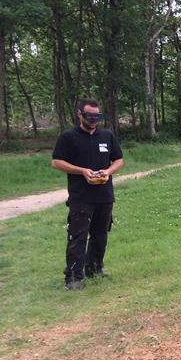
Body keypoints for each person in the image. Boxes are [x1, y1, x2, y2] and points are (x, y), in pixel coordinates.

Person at [51, 99, 124, 290]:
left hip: (104, 195)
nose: (93, 120)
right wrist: (82, 171)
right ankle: (74, 277)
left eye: (97, 116)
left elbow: (118, 160)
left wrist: (108, 172)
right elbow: (56, 162)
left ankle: (95, 268)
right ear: (79, 114)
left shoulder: (107, 135)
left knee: (100, 234)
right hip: (80, 196)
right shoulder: (68, 137)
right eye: (89, 116)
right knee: (78, 236)